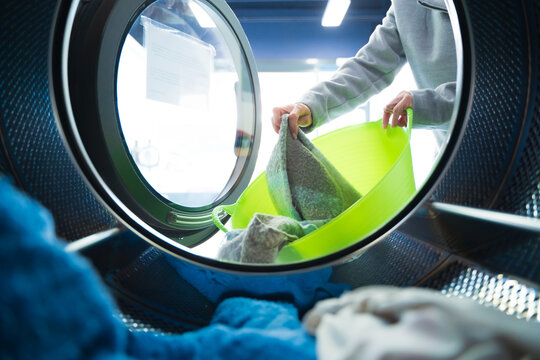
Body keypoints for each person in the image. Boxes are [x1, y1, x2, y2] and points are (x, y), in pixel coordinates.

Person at [272, 0, 457, 139]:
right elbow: (368, 66)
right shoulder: (404, 6)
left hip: (484, 153)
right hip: (453, 159)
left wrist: (427, 105)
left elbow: (485, 93)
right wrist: (311, 106)